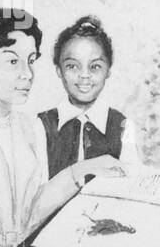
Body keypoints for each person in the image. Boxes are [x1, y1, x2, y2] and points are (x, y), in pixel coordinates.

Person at [0, 9, 123, 247]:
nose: (27, 74)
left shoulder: (30, 128)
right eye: (12, 62)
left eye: (30, 61)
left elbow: (34, 211)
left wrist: (83, 170)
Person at [39, 15, 141, 178]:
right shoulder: (42, 126)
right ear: (59, 70)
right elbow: (37, 191)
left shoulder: (122, 126)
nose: (84, 75)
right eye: (72, 66)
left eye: (94, 67)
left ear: (108, 70)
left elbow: (132, 182)